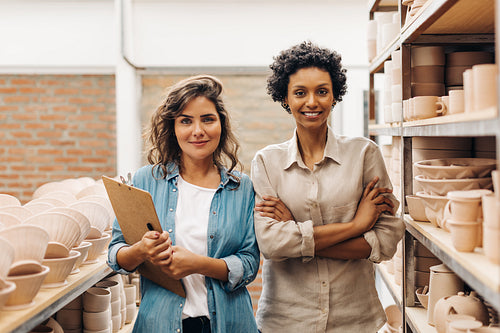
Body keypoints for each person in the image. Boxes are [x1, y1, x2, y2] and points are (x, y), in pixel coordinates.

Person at [251, 41, 405, 332]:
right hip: (286, 321)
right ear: (285, 98)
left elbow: (386, 241)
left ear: (334, 96)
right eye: (300, 93)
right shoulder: (266, 162)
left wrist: (298, 233)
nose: (312, 102)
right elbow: (272, 244)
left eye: (322, 91)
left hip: (356, 320)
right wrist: (357, 225)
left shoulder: (364, 155)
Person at [108, 75, 260, 333]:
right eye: (186, 121)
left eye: (208, 119)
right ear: (173, 128)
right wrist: (142, 250)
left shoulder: (241, 187)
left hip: (229, 324)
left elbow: (249, 264)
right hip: (160, 325)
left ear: (221, 124)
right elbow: (115, 254)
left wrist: (198, 264)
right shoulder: (147, 179)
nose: (198, 131)